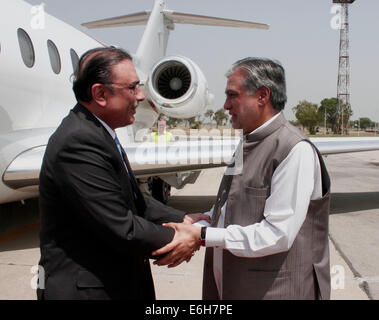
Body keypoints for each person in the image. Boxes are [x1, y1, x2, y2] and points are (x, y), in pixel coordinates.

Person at [152, 57, 331, 300]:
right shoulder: (249, 142)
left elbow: (277, 234)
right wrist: (198, 224)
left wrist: (203, 236)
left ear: (262, 96)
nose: (225, 105)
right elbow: (232, 206)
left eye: (232, 95)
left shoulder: (293, 149)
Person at [37, 47, 208, 300]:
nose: (141, 96)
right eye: (132, 88)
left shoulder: (97, 131)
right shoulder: (79, 141)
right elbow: (121, 226)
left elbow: (131, 201)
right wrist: (188, 237)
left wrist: (185, 219)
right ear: (100, 93)